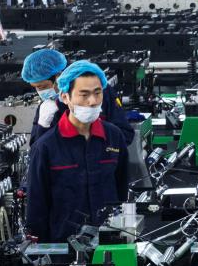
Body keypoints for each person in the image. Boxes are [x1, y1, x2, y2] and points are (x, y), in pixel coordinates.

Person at [26, 60, 131, 241]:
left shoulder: (114, 137)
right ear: (65, 97)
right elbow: (37, 207)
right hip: (64, 245)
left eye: (97, 93)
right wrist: (41, 250)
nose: (92, 101)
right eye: (84, 95)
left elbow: (122, 190)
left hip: (109, 241)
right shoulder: (45, 147)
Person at [22, 47, 69, 144]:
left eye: (43, 87)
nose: (40, 91)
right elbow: (35, 145)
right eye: (36, 87)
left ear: (58, 77)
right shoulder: (44, 107)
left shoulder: (80, 104)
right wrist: (43, 125)